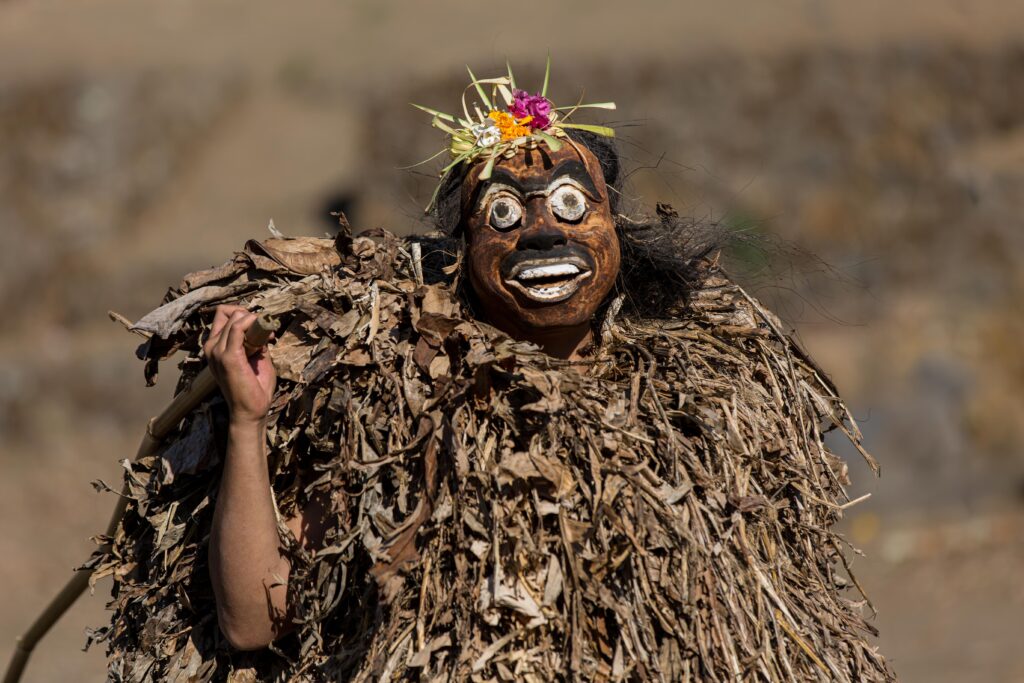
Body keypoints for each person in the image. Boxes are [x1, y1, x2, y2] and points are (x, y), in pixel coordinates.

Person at [101, 64, 895, 681]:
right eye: (506, 215)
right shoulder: (399, 406)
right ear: (464, 256)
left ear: (618, 232)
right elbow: (253, 620)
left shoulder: (709, 405)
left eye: (570, 205)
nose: (544, 234)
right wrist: (246, 424)